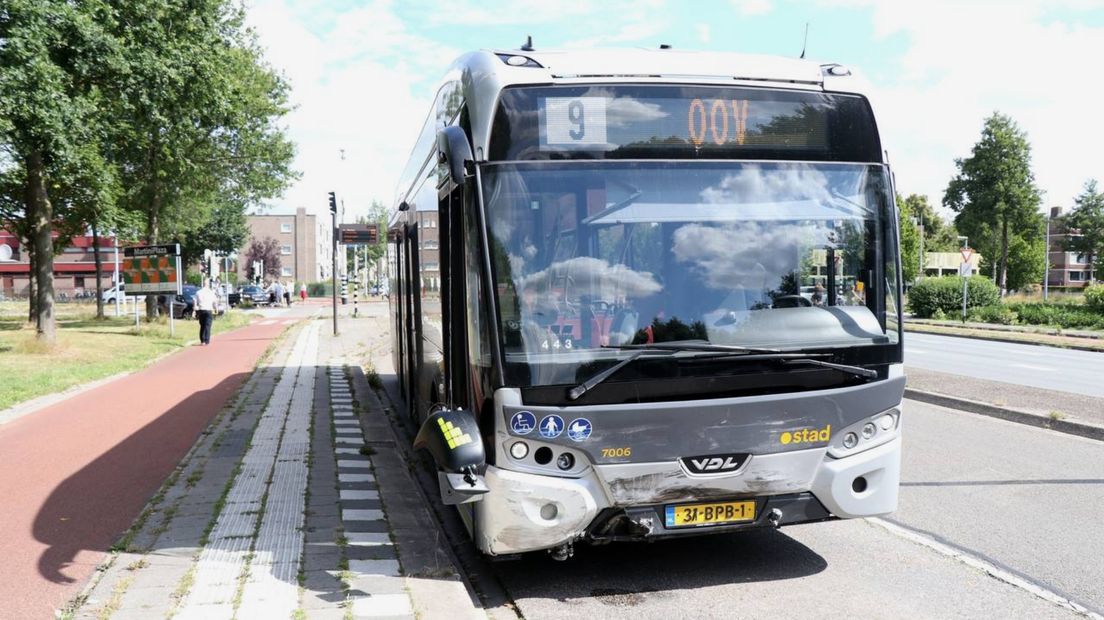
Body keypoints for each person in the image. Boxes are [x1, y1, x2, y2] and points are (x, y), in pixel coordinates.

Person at [194, 278, 219, 345]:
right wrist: (216, 309)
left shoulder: (198, 292)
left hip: (201, 310)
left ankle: (202, 341)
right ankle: (207, 340)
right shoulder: (211, 292)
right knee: (208, 326)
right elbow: (215, 302)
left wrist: (194, 310)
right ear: (208, 284)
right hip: (208, 310)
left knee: (202, 325)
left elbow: (195, 302)